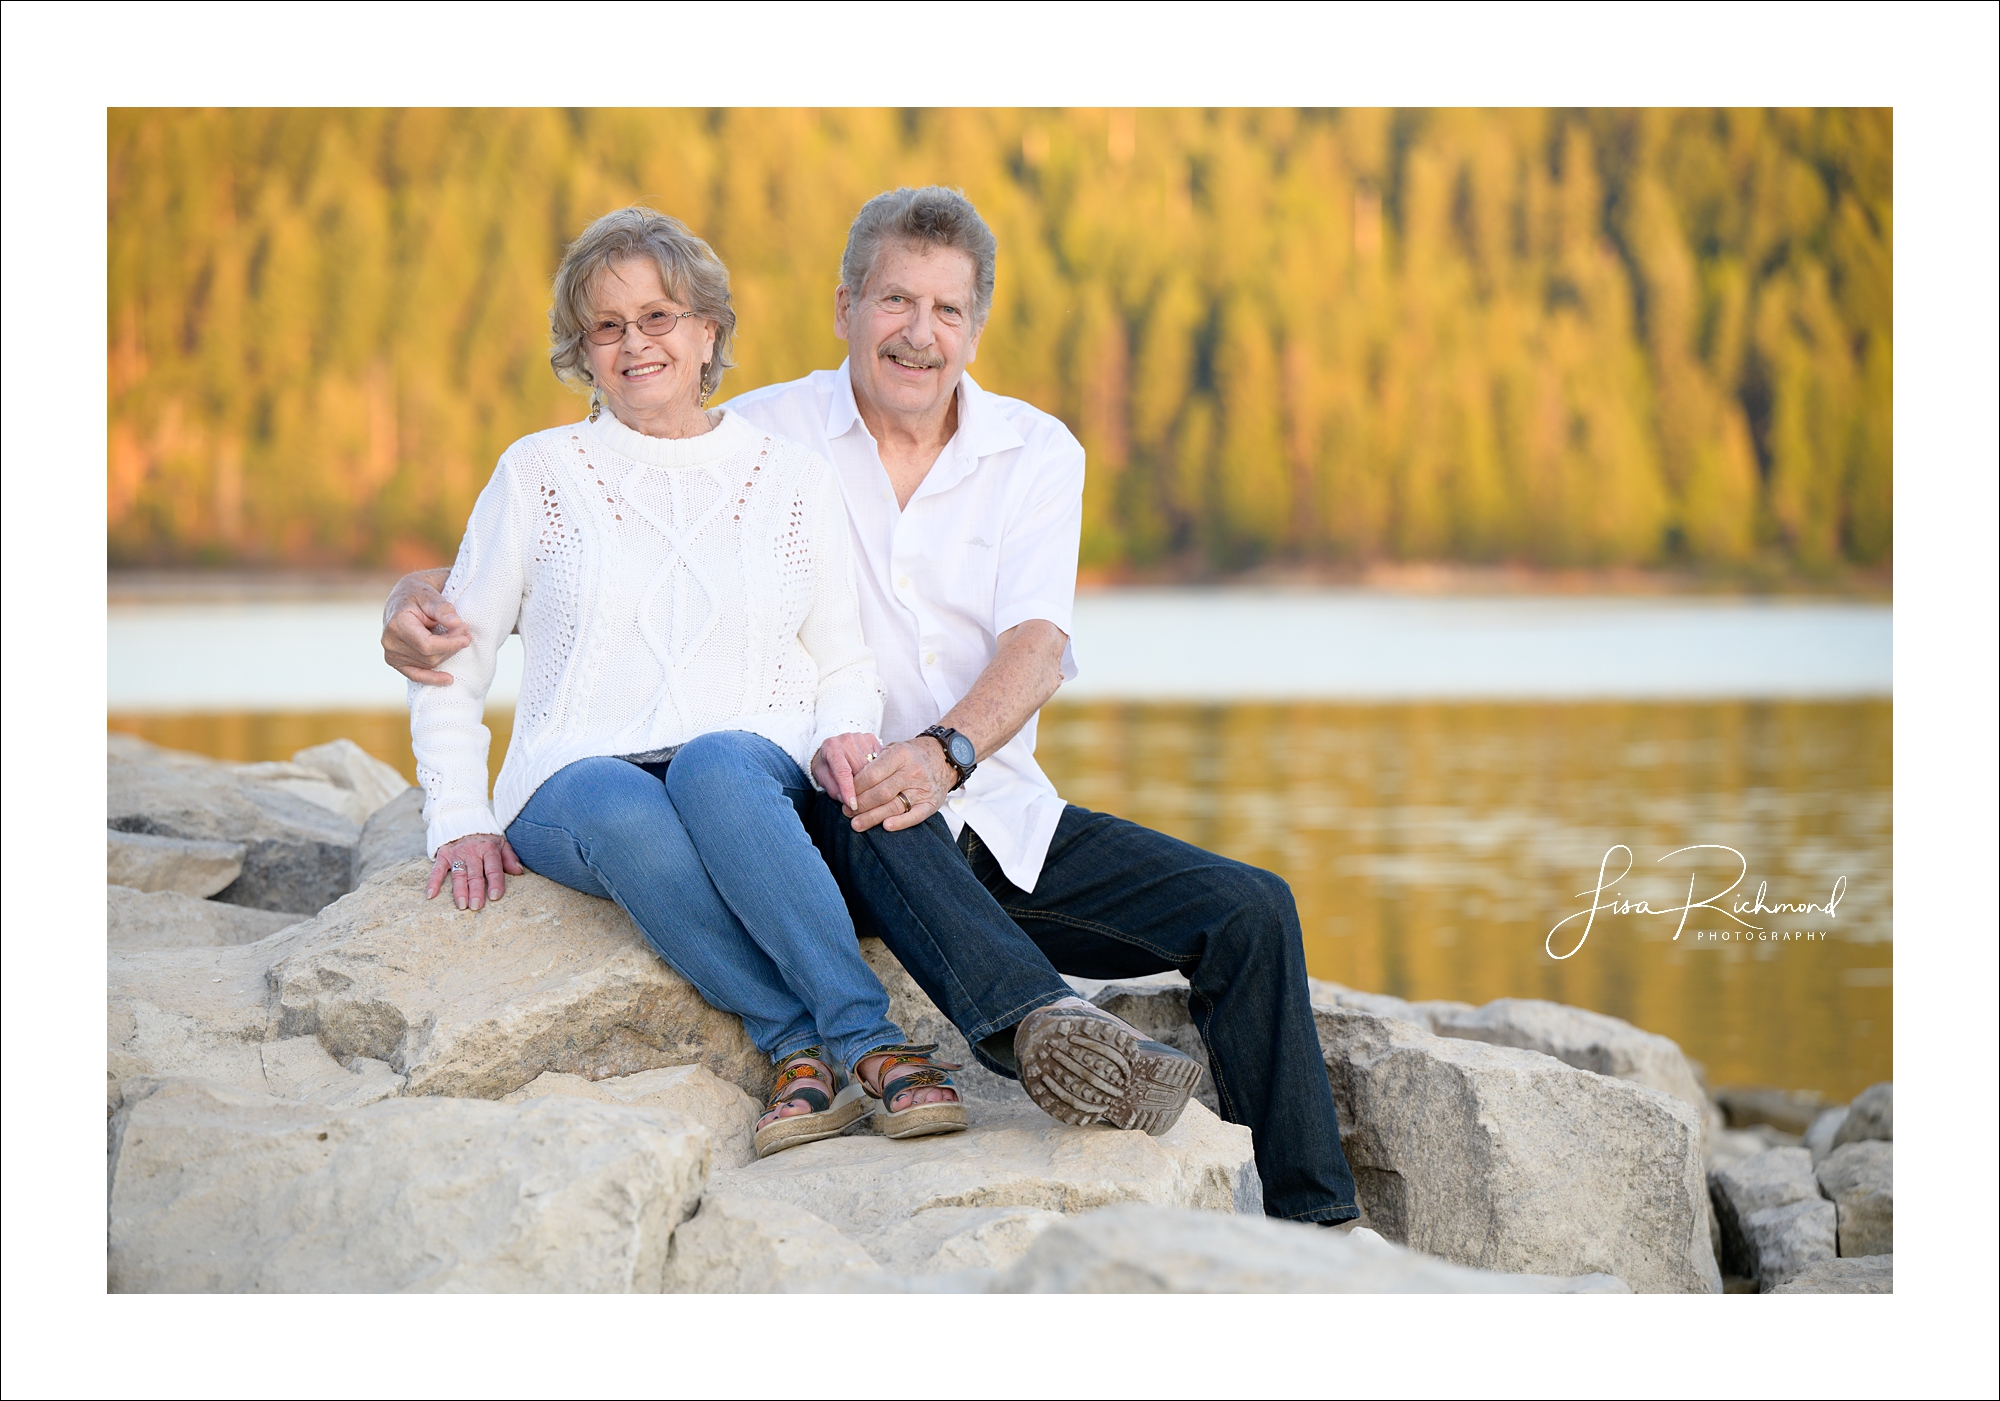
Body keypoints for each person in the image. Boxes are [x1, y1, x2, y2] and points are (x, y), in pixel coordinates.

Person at [386, 188, 1361, 1224]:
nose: (918, 332)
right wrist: (410, 602)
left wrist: (945, 751)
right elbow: (593, 503)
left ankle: (1315, 1220)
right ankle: (1037, 1029)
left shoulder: (1033, 451)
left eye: (947, 310)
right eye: (895, 300)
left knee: (1250, 909)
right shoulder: (762, 435)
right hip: (817, 809)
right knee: (866, 796)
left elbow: (1038, 646)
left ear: (976, 327)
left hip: (974, 799)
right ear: (846, 306)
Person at [408, 204, 967, 1160]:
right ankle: (807, 1043)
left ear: (708, 331)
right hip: (572, 779)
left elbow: (842, 654)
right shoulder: (538, 472)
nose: (636, 344)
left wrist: (842, 730)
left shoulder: (788, 477)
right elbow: (451, 658)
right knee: (615, 798)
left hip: (745, 759)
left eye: (660, 316)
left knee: (713, 767)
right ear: (582, 350)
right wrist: (457, 813)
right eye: (608, 325)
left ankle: (855, 1046)